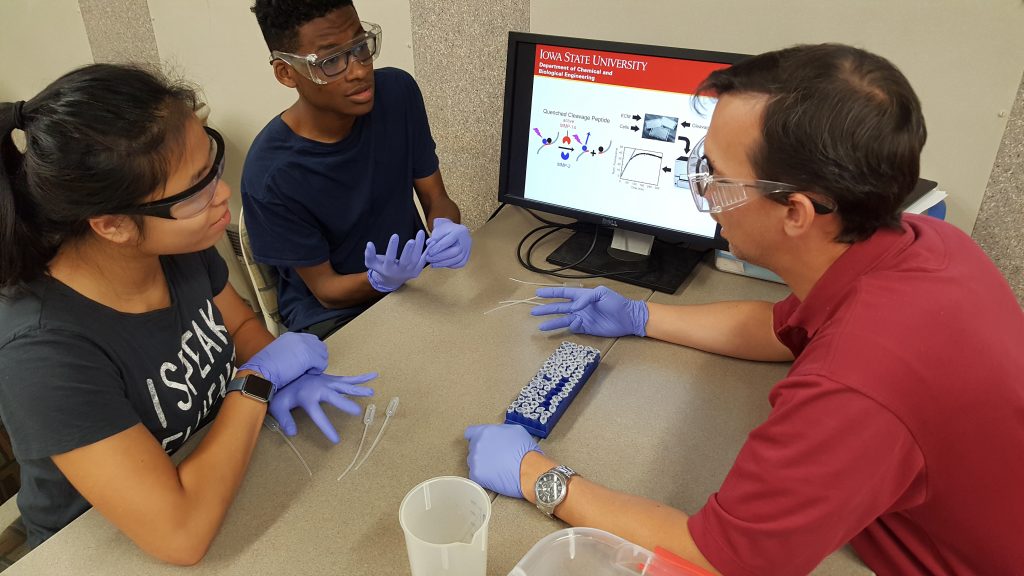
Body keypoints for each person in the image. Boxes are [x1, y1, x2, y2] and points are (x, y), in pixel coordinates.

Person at [464, 44, 1024, 575]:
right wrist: (639, 316)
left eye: (716, 176)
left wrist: (538, 476)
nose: (704, 192)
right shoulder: (924, 240)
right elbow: (786, 329)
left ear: (797, 213)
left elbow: (719, 562)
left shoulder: (856, 385)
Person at [0, 64, 377, 563]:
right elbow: (180, 536)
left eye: (211, 165)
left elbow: (240, 325)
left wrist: (282, 369)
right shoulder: (42, 349)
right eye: (197, 186)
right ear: (112, 224)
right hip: (100, 549)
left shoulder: (174, 243)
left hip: (207, 475)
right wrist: (257, 382)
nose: (221, 193)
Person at [243, 0, 471, 339]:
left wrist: (445, 228)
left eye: (361, 46)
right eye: (332, 60)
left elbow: (437, 198)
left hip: (415, 289)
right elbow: (327, 291)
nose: (359, 70)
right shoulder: (271, 173)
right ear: (286, 72)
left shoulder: (397, 94)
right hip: (335, 320)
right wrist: (381, 280)